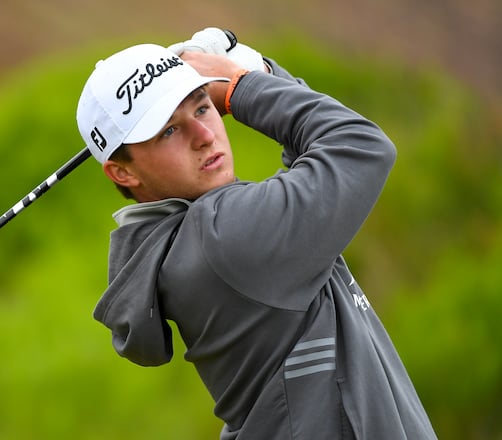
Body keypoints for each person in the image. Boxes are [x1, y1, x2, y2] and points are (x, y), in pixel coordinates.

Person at [75, 28, 437, 439]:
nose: (205, 136)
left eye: (201, 107)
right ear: (122, 172)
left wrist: (256, 73)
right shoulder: (223, 238)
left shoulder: (188, 239)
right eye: (169, 131)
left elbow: (311, 149)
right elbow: (359, 146)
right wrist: (242, 85)